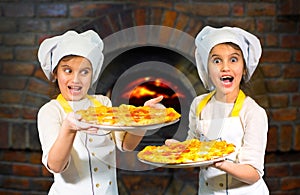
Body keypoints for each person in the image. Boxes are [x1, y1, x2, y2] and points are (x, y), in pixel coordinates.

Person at [37, 30, 162, 195]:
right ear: (56, 72)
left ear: (92, 74)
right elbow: (56, 166)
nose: (76, 80)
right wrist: (68, 128)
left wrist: (144, 117)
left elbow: (127, 145)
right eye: (68, 70)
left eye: (84, 72)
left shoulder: (103, 103)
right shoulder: (50, 111)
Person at [167, 26, 269, 194]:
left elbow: (254, 173)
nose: (225, 67)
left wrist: (220, 162)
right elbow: (193, 147)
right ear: (207, 69)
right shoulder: (199, 105)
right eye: (216, 60)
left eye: (233, 60)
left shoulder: (253, 112)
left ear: (244, 69)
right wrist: (178, 150)